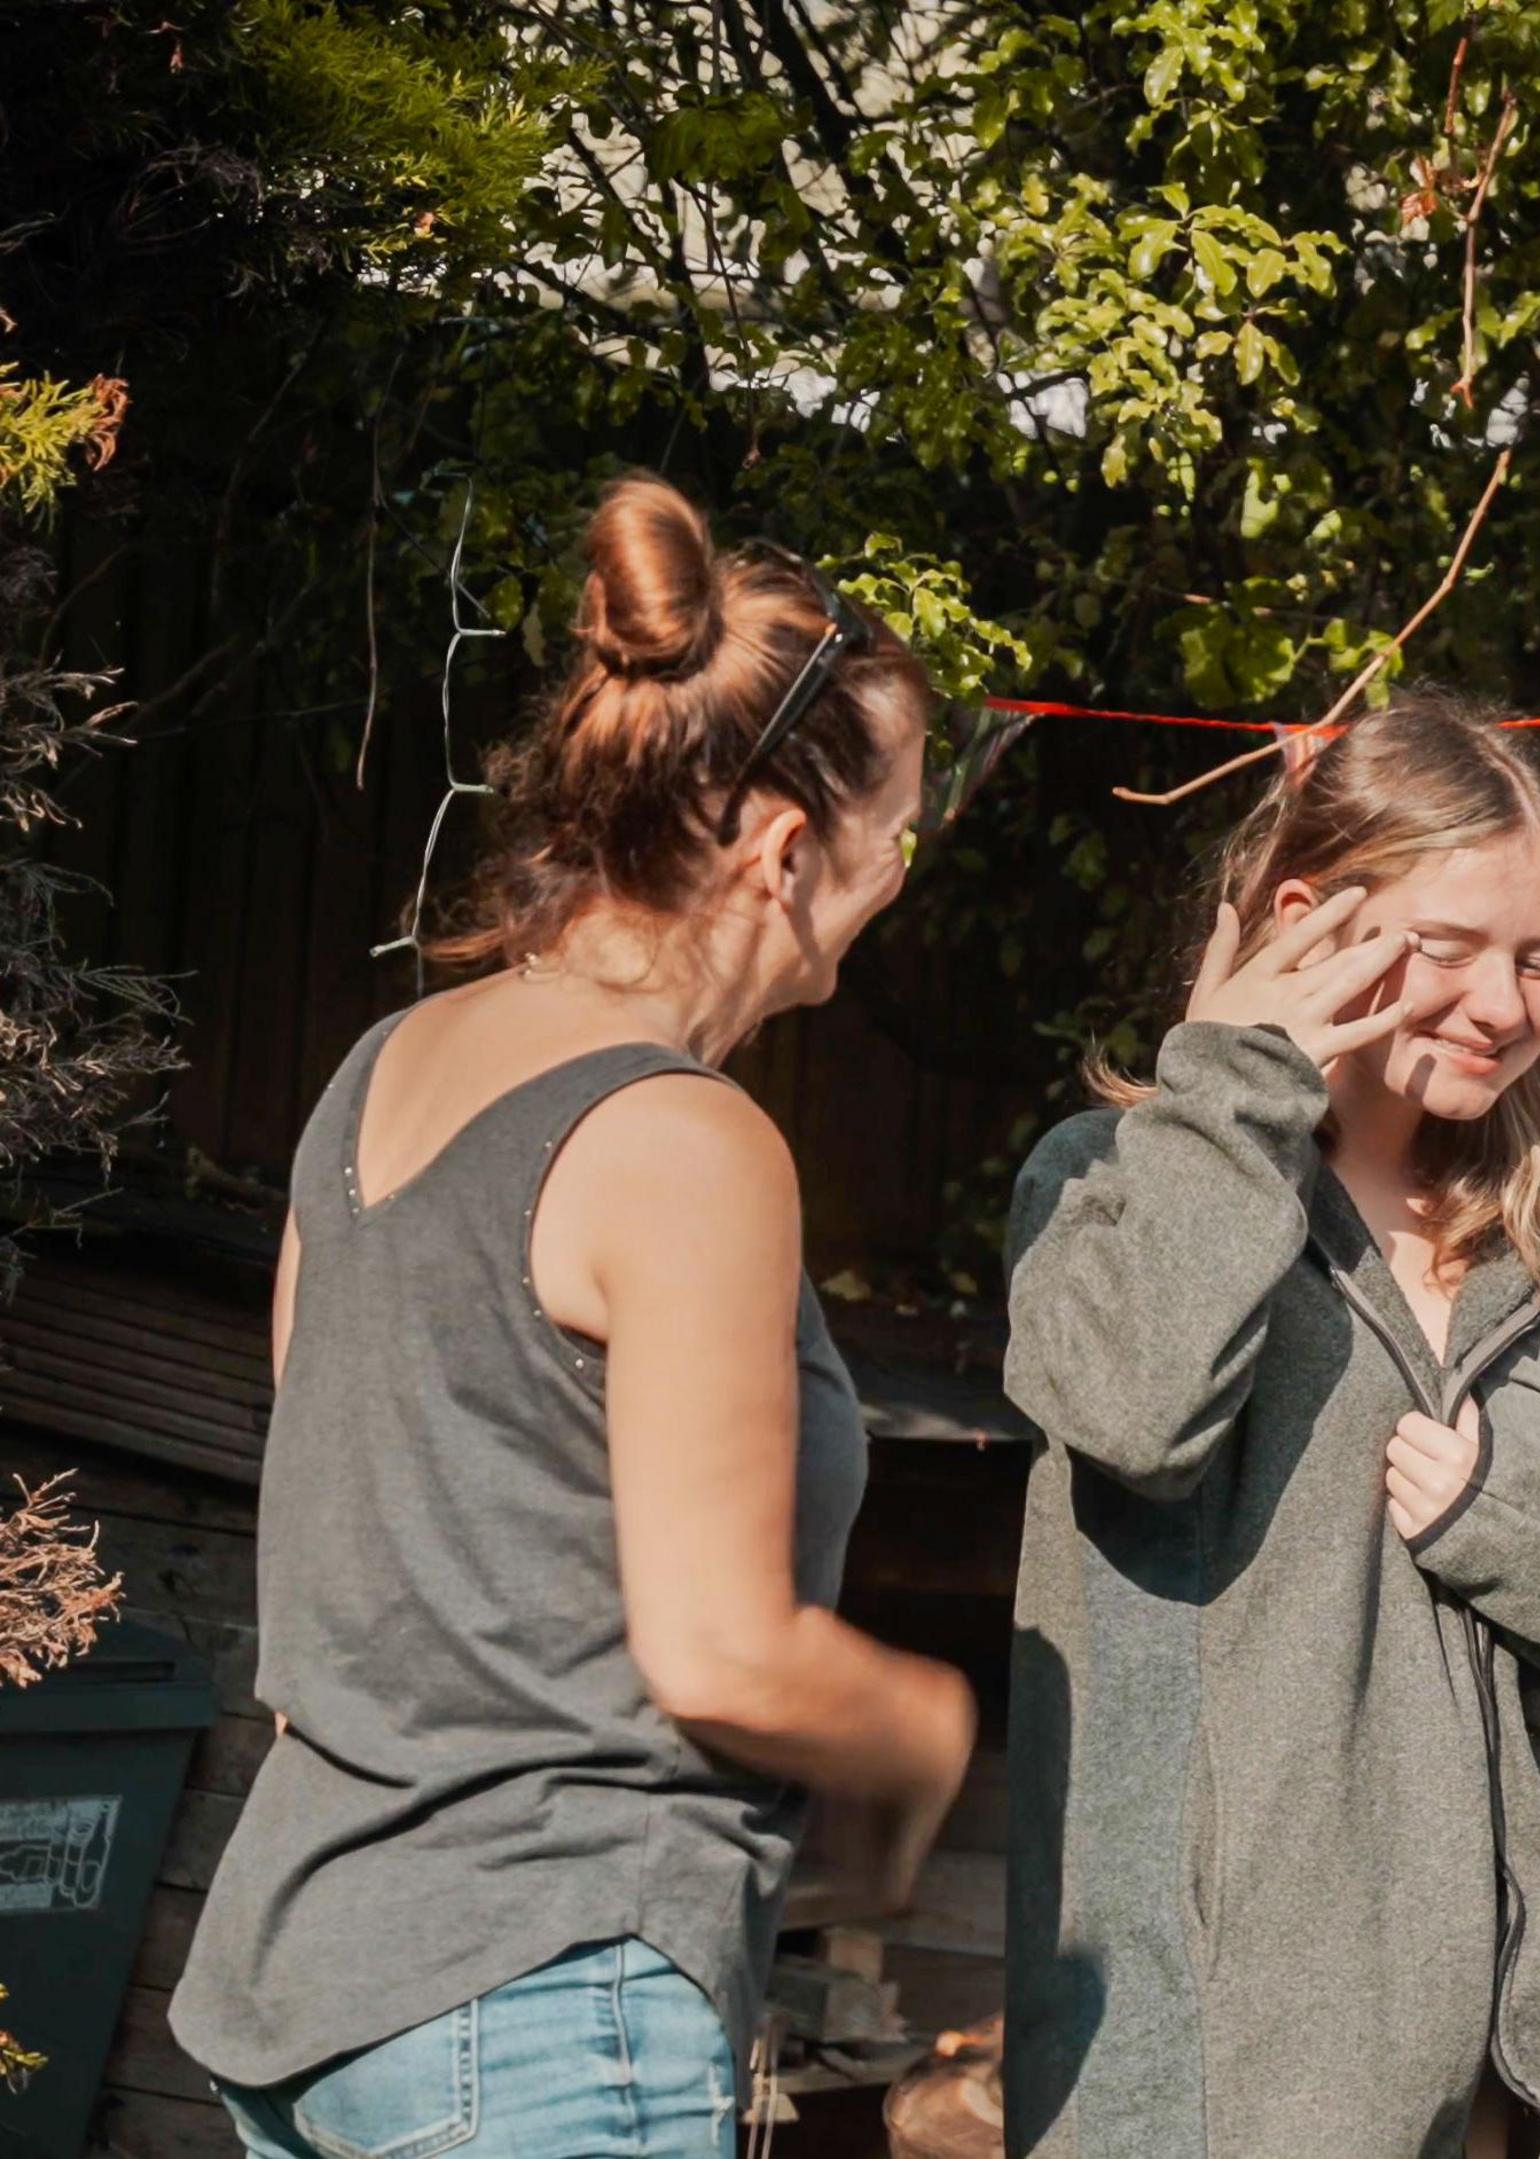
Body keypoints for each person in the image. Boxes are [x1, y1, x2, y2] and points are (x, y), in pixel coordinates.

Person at [174, 473, 981, 2159]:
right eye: (900, 826)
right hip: (534, 2012)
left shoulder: (376, 1074)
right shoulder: (685, 1142)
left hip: (309, 1992)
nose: (904, 870)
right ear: (780, 850)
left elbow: (333, 1577)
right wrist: (923, 1730)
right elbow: (720, 1651)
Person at [999, 693, 1540, 2159]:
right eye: (1449, 948)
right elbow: (1134, 1411)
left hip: (1493, 2079)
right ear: (1305, 921)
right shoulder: (1107, 1185)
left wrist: (1504, 1525)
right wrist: (1237, 1079)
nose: (1503, 1005)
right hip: (1198, 2088)